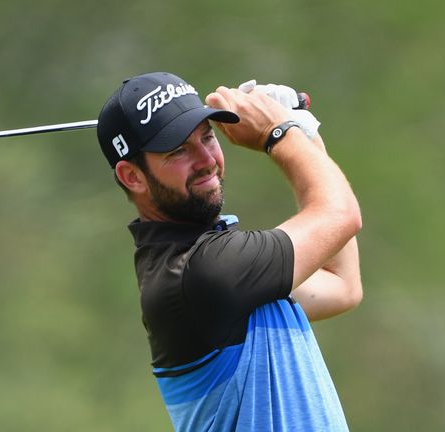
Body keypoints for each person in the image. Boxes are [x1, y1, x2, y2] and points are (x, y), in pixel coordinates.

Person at [96, 72, 362, 431]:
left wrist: (302, 130)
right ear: (132, 176)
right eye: (178, 151)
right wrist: (278, 132)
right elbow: (340, 215)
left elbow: (341, 285)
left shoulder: (217, 270)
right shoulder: (202, 272)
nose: (206, 159)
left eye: (207, 136)